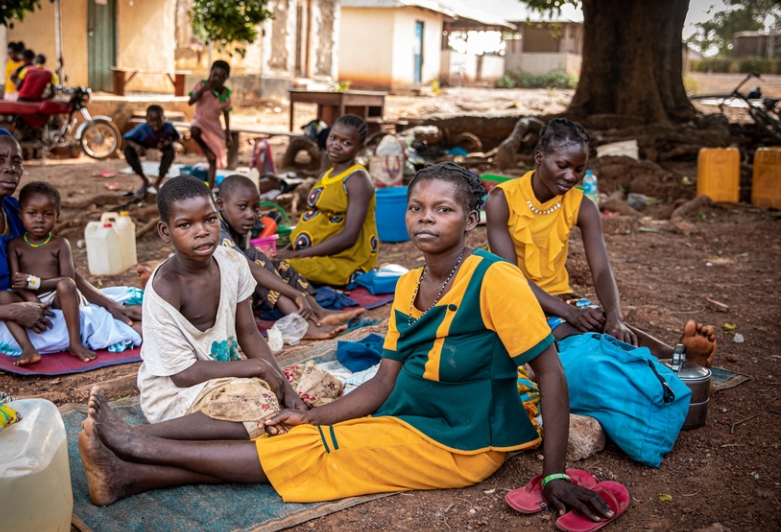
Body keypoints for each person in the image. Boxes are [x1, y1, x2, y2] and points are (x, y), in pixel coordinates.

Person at [76, 163, 615, 529]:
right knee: (305, 434)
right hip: (410, 415)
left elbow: (549, 373)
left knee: (318, 455)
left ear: (472, 219)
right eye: (418, 207)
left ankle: (144, 448)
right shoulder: (408, 286)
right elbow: (383, 381)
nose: (426, 218)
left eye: (444, 210)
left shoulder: (496, 280)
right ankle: (127, 475)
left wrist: (555, 473)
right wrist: (316, 416)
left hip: (461, 442)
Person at [484, 118, 717, 368]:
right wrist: (570, 312)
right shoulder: (501, 199)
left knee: (608, 327)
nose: (570, 176)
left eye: (579, 169)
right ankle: (651, 368)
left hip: (559, 297)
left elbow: (602, 269)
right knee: (573, 333)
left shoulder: (583, 205)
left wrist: (615, 317)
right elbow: (511, 278)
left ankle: (677, 357)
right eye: (562, 165)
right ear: (539, 157)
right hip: (510, 295)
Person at [0, 128, 143, 359]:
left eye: (16, 161)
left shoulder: (12, 211)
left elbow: (58, 270)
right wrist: (14, 311)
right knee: (84, 324)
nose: (10, 168)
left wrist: (109, 304)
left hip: (17, 304)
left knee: (122, 299)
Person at [137, 176, 306, 439]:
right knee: (260, 404)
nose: (201, 231)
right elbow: (182, 375)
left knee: (316, 383)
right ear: (165, 232)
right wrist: (257, 368)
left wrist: (286, 389)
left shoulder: (232, 263)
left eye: (209, 219)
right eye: (185, 225)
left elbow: (248, 333)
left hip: (228, 377)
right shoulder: (166, 288)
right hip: (177, 394)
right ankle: (145, 435)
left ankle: (260, 417)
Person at [215, 174, 360, 339]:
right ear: (220, 204)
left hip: (240, 290)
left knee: (280, 266)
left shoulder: (240, 227)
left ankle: (319, 312)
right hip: (215, 298)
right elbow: (250, 267)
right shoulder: (215, 228)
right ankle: (302, 324)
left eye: (255, 208)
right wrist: (295, 294)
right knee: (257, 261)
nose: (250, 215)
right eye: (242, 207)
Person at [275, 114, 379, 287]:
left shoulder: (358, 179)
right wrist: (288, 250)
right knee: (261, 263)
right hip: (314, 254)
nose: (336, 145)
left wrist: (298, 255)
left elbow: (349, 237)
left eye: (346, 143)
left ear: (360, 147)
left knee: (272, 270)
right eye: (333, 138)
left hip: (344, 261)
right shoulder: (326, 176)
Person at [0, 181, 97, 366]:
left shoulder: (60, 244)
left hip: (59, 296)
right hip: (30, 297)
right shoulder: (15, 245)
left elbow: (67, 280)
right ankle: (28, 349)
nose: (39, 219)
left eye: (47, 214)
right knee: (3, 297)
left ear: (57, 216)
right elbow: (16, 282)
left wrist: (34, 283)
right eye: (32, 213)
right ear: (20, 215)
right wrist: (31, 297)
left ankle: (75, 343)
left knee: (66, 284)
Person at [188, 60, 233, 188]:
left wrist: (228, 133)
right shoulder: (202, 85)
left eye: (221, 77)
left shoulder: (226, 94)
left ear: (226, 78)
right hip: (200, 120)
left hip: (214, 126)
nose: (217, 79)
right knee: (194, 130)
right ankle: (206, 151)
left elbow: (226, 113)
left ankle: (210, 187)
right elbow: (191, 101)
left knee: (213, 160)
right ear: (210, 74)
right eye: (215, 75)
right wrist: (204, 89)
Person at [122, 105, 181, 196]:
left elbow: (177, 137)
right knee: (127, 150)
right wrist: (136, 146)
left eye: (159, 120)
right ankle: (145, 180)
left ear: (164, 119)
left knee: (170, 151)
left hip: (162, 146)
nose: (156, 124)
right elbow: (127, 138)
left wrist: (168, 142)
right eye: (152, 120)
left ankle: (157, 182)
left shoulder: (169, 128)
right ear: (146, 120)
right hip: (143, 144)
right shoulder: (141, 129)